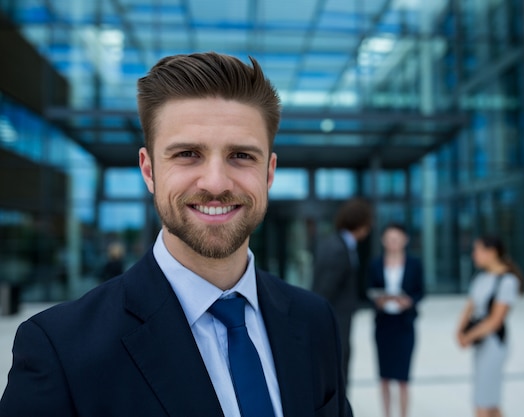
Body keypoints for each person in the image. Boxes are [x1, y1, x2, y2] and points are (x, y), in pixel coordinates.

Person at [0, 52, 352, 417]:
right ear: (149, 171)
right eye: (187, 154)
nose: (216, 183)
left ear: (268, 172)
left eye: (241, 156)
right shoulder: (60, 350)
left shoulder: (315, 320)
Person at [455, 235, 523, 417]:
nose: (473, 255)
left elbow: (495, 321)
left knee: (483, 402)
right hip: (480, 343)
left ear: (491, 252)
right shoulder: (481, 279)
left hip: (493, 344)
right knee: (489, 401)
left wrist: (468, 337)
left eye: (477, 250)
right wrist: (459, 332)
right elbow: (469, 307)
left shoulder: (507, 281)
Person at [312, 197, 373, 383]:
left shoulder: (338, 244)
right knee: (338, 372)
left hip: (338, 321)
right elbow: (325, 290)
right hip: (336, 323)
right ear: (361, 224)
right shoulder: (338, 249)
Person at [367, 223, 425, 417]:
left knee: (403, 379)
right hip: (383, 325)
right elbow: (368, 290)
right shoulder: (375, 264)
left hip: (404, 325)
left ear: (405, 240)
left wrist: (409, 301)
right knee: (384, 377)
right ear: (383, 240)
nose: (393, 242)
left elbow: (421, 291)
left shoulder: (414, 264)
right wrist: (379, 300)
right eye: (390, 238)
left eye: (397, 238)